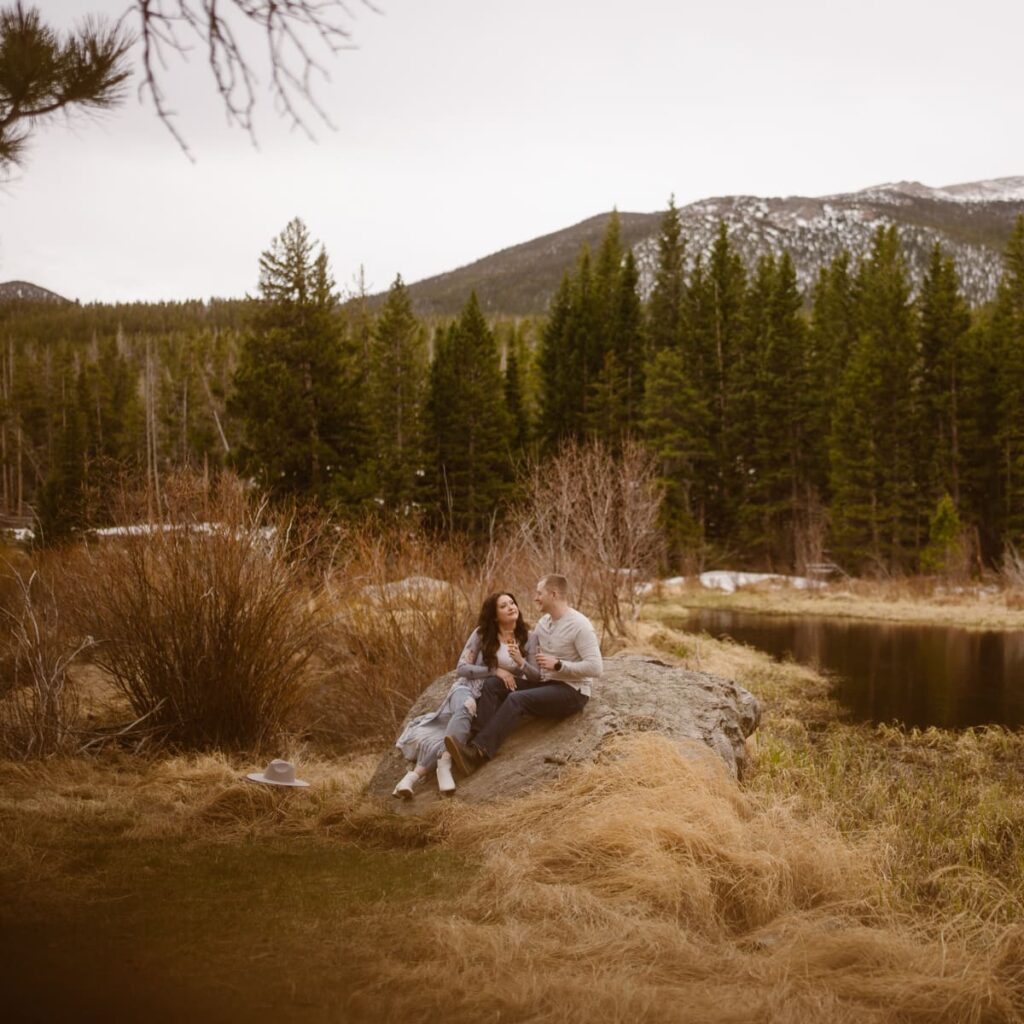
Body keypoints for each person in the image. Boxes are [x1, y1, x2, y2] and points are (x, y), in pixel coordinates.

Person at [445, 574, 601, 775]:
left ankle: (478, 754)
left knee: (517, 700)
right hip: (548, 684)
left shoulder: (581, 625)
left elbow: (596, 668)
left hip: (572, 691)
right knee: (493, 683)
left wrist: (560, 665)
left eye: (539, 593)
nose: (535, 598)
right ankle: (471, 742)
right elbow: (534, 669)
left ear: (553, 594)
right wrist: (519, 663)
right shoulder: (544, 624)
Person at [392, 591, 539, 799]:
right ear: (495, 615)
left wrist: (520, 662)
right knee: (466, 707)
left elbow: (536, 676)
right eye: (504, 606)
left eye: (512, 603)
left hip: (491, 699)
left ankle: (410, 779)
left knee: (459, 734)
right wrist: (495, 670)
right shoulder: (481, 634)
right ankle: (444, 764)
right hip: (468, 688)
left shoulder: (529, 638)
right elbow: (462, 667)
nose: (511, 607)